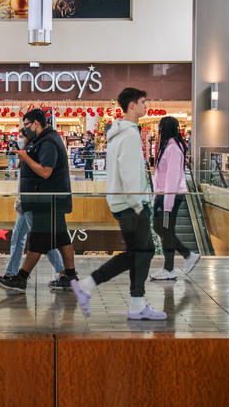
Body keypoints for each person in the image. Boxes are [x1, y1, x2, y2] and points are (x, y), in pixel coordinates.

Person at [71, 88, 167, 320]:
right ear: (132, 105)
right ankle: (88, 285)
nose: (146, 106)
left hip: (121, 202)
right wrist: (138, 204)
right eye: (143, 102)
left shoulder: (118, 134)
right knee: (141, 251)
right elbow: (130, 173)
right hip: (131, 203)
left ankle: (135, 303)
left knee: (140, 251)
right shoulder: (130, 135)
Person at [0, 109, 78, 292]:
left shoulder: (48, 142)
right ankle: (70, 277)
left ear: (36, 123)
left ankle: (21, 278)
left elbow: (45, 172)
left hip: (47, 200)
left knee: (39, 241)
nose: (25, 128)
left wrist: (26, 157)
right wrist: (26, 158)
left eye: (27, 124)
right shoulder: (42, 140)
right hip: (45, 199)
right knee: (62, 239)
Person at [150, 116, 200, 280]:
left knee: (164, 228)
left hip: (169, 196)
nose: (158, 131)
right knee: (162, 228)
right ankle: (183, 258)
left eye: (160, 127)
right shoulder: (169, 146)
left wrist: (166, 204)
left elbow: (172, 177)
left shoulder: (173, 148)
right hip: (163, 195)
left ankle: (172, 266)